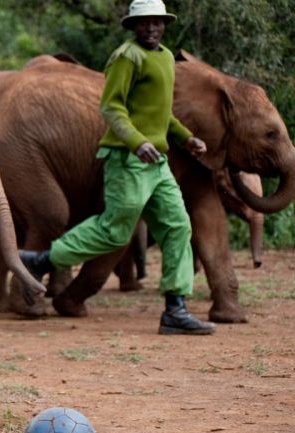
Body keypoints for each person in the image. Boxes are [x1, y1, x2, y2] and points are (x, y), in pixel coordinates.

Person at [19, 0, 216, 335]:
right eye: (143, 23)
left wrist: (186, 138)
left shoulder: (166, 58)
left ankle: (175, 309)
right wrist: (136, 142)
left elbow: (160, 113)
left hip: (158, 163)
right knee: (114, 231)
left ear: (164, 24)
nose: (150, 28)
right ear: (133, 26)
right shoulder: (127, 57)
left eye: (156, 22)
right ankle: (40, 261)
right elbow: (111, 108)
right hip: (128, 160)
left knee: (178, 226)